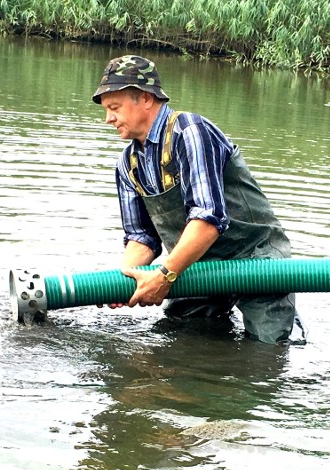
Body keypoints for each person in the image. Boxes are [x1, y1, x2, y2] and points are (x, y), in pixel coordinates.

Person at [93, 54, 304, 345]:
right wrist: (122, 281)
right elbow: (142, 238)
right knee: (183, 342)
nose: (108, 119)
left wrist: (164, 275)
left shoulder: (189, 132)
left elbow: (208, 219)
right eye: (106, 110)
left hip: (257, 260)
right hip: (195, 267)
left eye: (114, 108)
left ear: (144, 99)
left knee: (267, 353)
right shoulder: (128, 164)